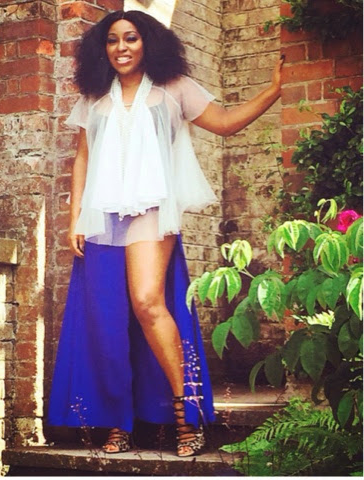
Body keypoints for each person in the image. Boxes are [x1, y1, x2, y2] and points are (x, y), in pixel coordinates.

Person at [47, 9, 284, 457]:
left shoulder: (174, 88)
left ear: (148, 42)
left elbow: (225, 122)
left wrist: (273, 91)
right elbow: (83, 158)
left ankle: (184, 415)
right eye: (112, 40)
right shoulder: (95, 97)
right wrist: (75, 216)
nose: (121, 47)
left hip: (152, 210)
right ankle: (119, 421)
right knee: (107, 316)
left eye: (131, 38)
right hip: (101, 214)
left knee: (146, 302)